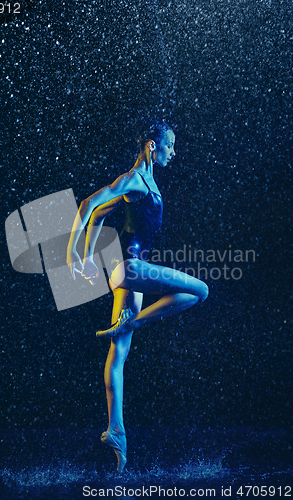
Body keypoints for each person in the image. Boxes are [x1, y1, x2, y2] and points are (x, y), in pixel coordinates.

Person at [66, 120, 209, 472]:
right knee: (200, 290)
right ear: (151, 146)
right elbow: (88, 203)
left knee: (119, 353)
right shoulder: (132, 179)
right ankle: (132, 323)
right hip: (129, 269)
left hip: (129, 273)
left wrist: (87, 250)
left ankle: (117, 432)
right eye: (169, 145)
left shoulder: (148, 183)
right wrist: (73, 254)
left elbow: (100, 214)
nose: (173, 152)